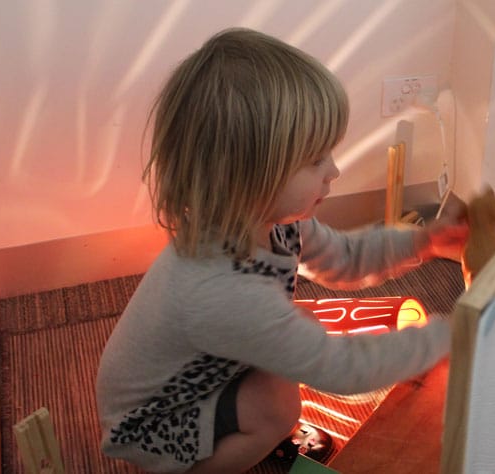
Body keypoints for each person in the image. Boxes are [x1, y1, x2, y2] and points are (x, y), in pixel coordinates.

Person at [95, 28, 468, 473]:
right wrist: (449, 335)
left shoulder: (268, 222)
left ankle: (233, 422)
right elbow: (341, 370)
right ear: (245, 178)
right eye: (314, 160)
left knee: (301, 322)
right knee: (279, 408)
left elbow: (345, 259)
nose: (334, 170)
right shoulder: (222, 291)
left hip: (204, 375)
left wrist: (423, 242)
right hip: (154, 422)